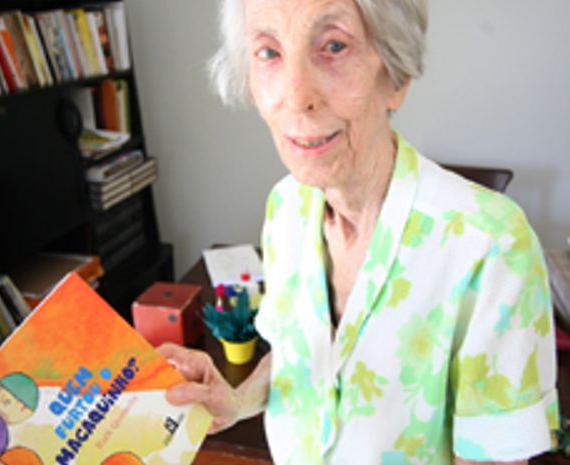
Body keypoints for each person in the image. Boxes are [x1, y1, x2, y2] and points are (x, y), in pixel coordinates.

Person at [159, 0, 560, 464]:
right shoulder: (286, 206)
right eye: (269, 52)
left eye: (334, 47)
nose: (296, 97)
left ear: (396, 75)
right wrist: (235, 401)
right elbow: (294, 357)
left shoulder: (491, 243)